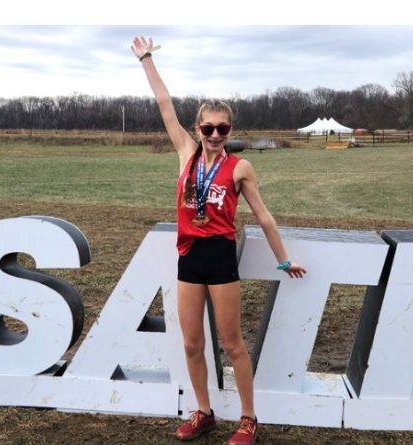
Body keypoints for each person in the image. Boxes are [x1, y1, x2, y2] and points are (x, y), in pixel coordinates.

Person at [131, 37, 307, 445]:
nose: (214, 134)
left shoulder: (240, 166)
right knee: (192, 343)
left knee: (232, 344)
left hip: (221, 258)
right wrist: (146, 60)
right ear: (198, 129)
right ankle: (204, 412)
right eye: (207, 127)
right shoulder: (185, 153)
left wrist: (283, 260)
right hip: (189, 258)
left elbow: (263, 216)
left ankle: (248, 419)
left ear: (230, 131)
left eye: (221, 128)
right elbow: (164, 104)